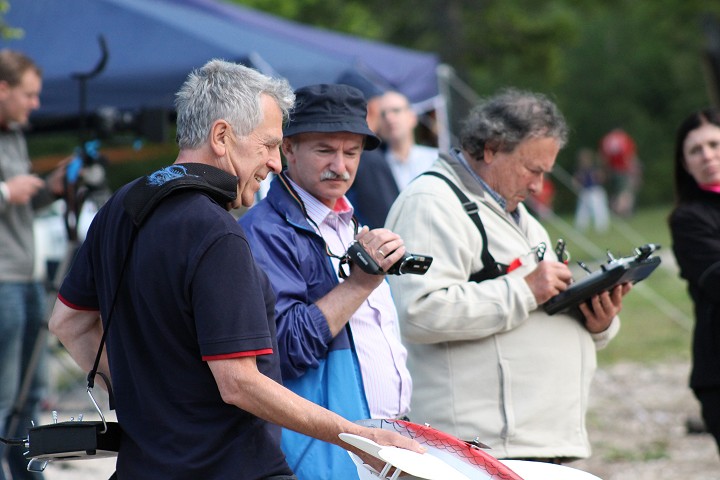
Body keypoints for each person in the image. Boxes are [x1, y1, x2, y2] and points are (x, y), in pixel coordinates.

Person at [47, 61, 421, 479]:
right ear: (222, 136)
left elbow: (68, 323)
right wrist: (359, 437)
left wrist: (143, 403)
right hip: (230, 468)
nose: (276, 163)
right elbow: (238, 382)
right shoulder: (217, 231)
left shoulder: (123, 204)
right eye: (268, 145)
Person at [385, 88, 631, 463]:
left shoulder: (516, 213)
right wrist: (525, 290)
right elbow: (419, 312)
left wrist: (598, 321)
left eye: (544, 173)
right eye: (533, 170)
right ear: (491, 148)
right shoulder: (431, 203)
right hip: (481, 450)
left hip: (530, 443)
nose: (538, 186)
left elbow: (545, 302)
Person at [239, 83, 413, 480]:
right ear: (288, 149)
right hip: (326, 455)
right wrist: (358, 285)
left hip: (378, 447)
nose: (341, 165)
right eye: (325, 150)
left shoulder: (348, 221)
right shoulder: (265, 231)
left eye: (351, 152)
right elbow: (283, 348)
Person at [0, 49, 66, 480]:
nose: (35, 104)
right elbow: (9, 196)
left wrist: (54, 188)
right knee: (4, 396)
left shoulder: (15, 134)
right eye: (29, 94)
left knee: (33, 393)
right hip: (2, 282)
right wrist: (6, 192)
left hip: (27, 278)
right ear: (2, 89)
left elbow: (23, 204)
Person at [669, 107, 720, 457]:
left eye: (715, 144)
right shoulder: (688, 219)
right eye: (696, 150)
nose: (708, 156)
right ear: (685, 163)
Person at [349, 90, 437, 228]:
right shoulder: (372, 167)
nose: (389, 118)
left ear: (412, 117)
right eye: (383, 114)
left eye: (396, 111)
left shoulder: (436, 159)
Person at [599, 127, 642, 217]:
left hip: (611, 170)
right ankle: (623, 212)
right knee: (625, 192)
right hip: (624, 170)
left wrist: (604, 171)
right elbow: (630, 156)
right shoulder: (624, 138)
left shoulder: (606, 140)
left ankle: (615, 211)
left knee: (615, 192)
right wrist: (635, 171)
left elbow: (603, 158)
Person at [573, 147, 610, 233]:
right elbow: (576, 181)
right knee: (582, 210)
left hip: (595, 191)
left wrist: (598, 176)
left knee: (598, 209)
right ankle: (580, 227)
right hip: (585, 192)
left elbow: (602, 178)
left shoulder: (594, 168)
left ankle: (602, 227)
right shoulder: (580, 170)